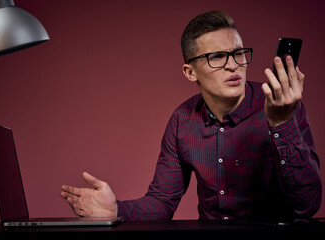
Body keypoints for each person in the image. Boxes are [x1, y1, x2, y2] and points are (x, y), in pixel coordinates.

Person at [60, 10, 322, 221]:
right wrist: (117, 210)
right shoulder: (182, 120)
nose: (233, 65)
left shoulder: (283, 105)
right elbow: (162, 202)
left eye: (238, 53)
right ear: (190, 72)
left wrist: (281, 122)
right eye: (217, 57)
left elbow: (306, 206)